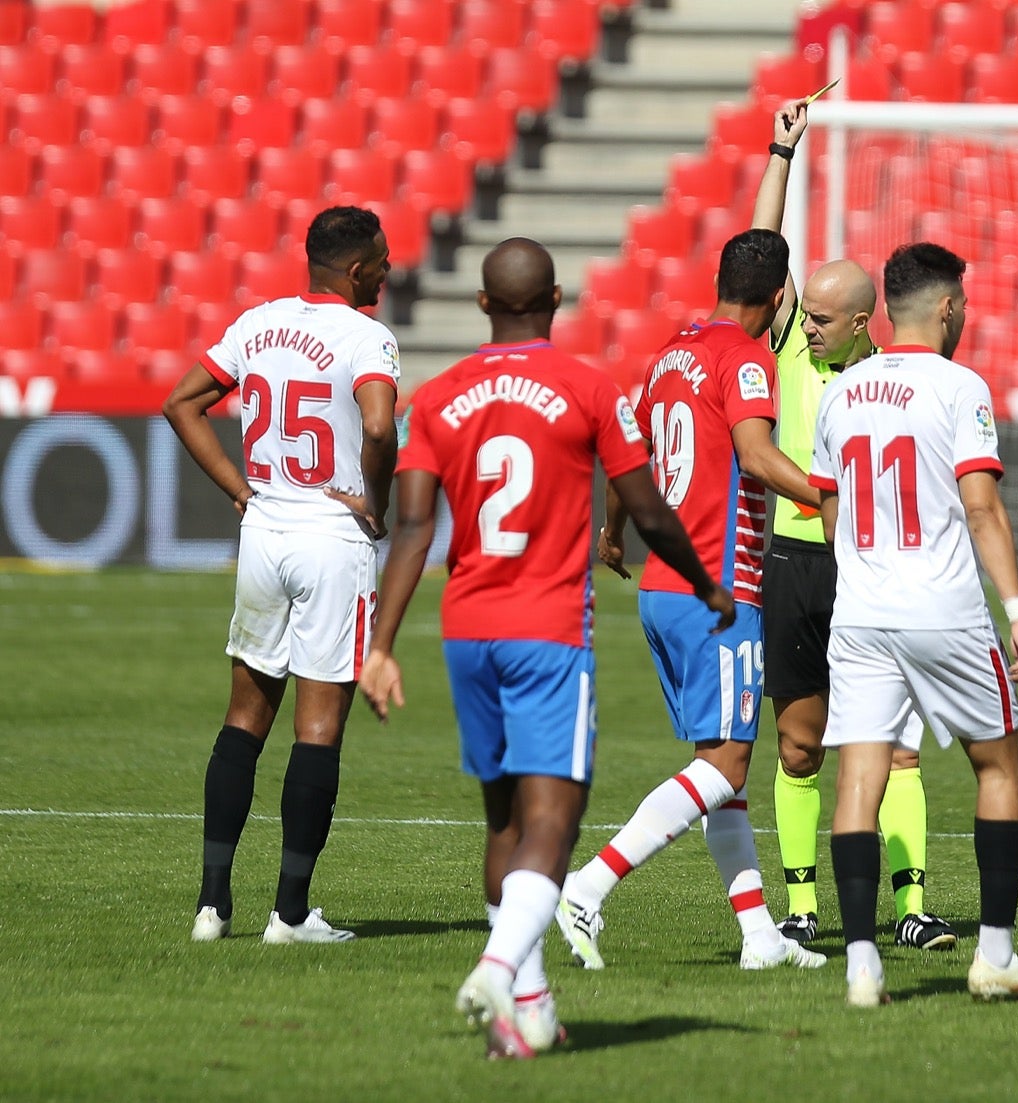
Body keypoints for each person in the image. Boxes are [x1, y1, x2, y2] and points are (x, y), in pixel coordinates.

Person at [353, 239, 733, 1059]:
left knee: (503, 820)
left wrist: (380, 645)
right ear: (555, 298)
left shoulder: (440, 396)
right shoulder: (589, 387)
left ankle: (527, 1012)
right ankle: (495, 967)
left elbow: (415, 526)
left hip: (466, 630)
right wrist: (707, 583)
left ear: (484, 305)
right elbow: (649, 507)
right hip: (549, 631)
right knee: (553, 824)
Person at [555, 228, 826, 973]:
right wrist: (833, 497)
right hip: (721, 592)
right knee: (729, 768)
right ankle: (588, 883)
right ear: (777, 301)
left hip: (664, 588)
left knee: (719, 765)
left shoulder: (672, 352)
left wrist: (614, 534)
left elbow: (628, 455)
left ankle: (760, 936)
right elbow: (757, 456)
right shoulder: (743, 357)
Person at [811, 241, 1018, 1007]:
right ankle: (995, 956)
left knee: (859, 775)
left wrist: (864, 562)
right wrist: (1017, 612)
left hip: (861, 611)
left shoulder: (840, 392)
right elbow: (980, 507)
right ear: (948, 306)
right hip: (943, 609)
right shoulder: (960, 387)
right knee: (999, 766)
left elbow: (828, 511)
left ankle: (861, 965)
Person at [163, 205, 399, 944]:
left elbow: (182, 402)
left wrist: (239, 489)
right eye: (384, 263)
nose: (391, 273)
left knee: (243, 718)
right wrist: (378, 502)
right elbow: (381, 425)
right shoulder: (368, 337)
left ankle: (211, 905)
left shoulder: (258, 323)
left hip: (264, 531)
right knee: (318, 729)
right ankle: (290, 915)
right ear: (358, 270)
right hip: (333, 536)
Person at [752, 101, 954, 950]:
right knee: (800, 748)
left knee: (896, 749)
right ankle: (800, 906)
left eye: (823, 317)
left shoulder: (896, 373)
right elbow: (762, 257)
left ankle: (911, 908)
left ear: (865, 321)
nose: (805, 324)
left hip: (873, 572)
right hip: (796, 565)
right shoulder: (793, 344)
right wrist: (780, 153)